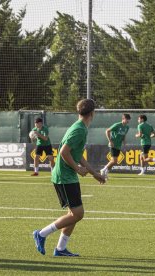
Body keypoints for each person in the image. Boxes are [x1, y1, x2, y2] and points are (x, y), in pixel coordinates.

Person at [33, 99, 106, 257]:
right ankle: (41, 234)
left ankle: (60, 249)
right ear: (92, 113)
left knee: (73, 214)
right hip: (64, 176)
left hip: (68, 176)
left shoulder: (80, 128)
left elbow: (77, 155)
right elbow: (64, 152)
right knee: (77, 214)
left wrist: (95, 174)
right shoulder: (79, 129)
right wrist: (78, 169)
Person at [100, 114, 131, 179]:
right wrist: (110, 141)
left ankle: (106, 173)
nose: (128, 121)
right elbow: (107, 131)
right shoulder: (117, 125)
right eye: (127, 119)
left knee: (114, 162)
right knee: (114, 161)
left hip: (118, 146)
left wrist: (124, 141)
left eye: (129, 119)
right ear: (123, 119)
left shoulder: (127, 127)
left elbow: (124, 135)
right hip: (113, 145)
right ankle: (103, 169)